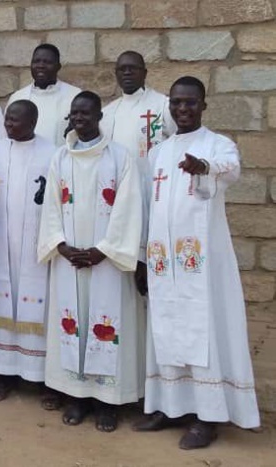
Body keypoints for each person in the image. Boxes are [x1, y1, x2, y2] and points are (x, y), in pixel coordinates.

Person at [134, 76, 260, 449]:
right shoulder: (158, 152)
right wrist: (142, 258)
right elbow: (147, 206)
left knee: (202, 330)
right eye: (176, 103)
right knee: (166, 328)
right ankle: (170, 406)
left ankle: (208, 416)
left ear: (203, 105)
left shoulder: (217, 144)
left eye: (190, 103)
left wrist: (203, 167)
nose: (182, 109)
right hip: (162, 263)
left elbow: (230, 169)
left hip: (200, 264)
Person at [37, 91, 144, 433]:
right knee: (73, 320)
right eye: (75, 114)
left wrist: (105, 249)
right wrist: (61, 245)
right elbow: (50, 206)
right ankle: (76, 396)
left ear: (100, 117)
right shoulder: (60, 158)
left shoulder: (120, 157)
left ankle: (107, 403)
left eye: (86, 113)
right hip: (70, 258)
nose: (79, 119)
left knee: (104, 320)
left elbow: (129, 207)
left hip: (107, 259)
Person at [0, 100, 58, 406]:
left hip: (35, 242)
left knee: (36, 305)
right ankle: (3, 372)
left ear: (33, 122)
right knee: (2, 300)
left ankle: (40, 375)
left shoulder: (52, 153)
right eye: (7, 120)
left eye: (15, 120)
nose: (9, 125)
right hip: (2, 238)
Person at [102, 51, 175, 188]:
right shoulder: (107, 112)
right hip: (119, 187)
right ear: (116, 74)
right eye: (122, 69)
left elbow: (178, 142)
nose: (127, 72)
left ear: (145, 73)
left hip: (154, 186)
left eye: (132, 68)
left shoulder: (163, 105)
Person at [8, 44, 82, 146]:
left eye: (47, 62)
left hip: (64, 159)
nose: (41, 66)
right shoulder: (18, 97)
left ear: (58, 67)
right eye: (36, 61)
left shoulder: (75, 95)